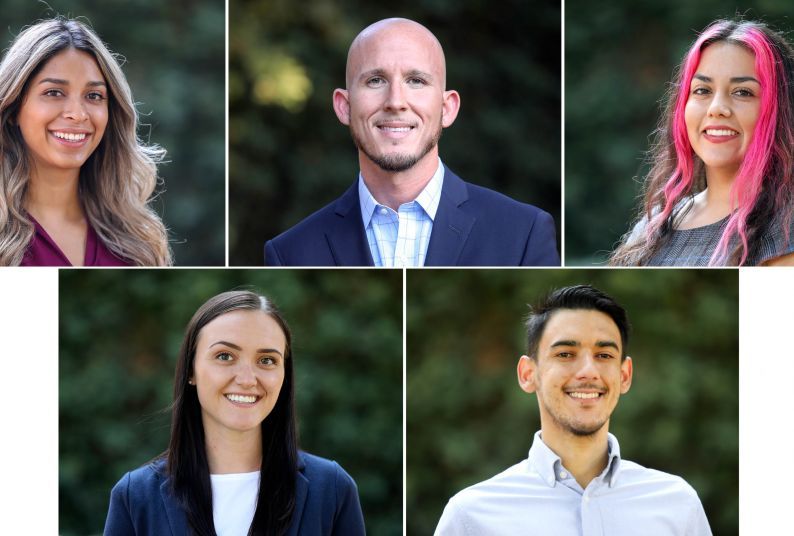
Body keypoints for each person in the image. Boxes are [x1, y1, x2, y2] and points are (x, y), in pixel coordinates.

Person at [264, 18, 559, 267]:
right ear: (344, 106)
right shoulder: (289, 253)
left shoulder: (523, 234)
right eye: (375, 80)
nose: (395, 101)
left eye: (416, 80)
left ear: (447, 108)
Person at [435, 285, 712, 535]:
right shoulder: (471, 517)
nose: (588, 371)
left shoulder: (678, 506)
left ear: (624, 375)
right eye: (565, 354)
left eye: (604, 355)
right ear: (528, 374)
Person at [104, 290, 365, 535]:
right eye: (225, 356)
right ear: (191, 370)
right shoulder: (135, 497)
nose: (247, 379)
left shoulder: (332, 490)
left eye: (267, 360)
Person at [611, 19, 794, 266]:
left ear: (781, 110)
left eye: (743, 92)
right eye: (702, 90)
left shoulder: (784, 229)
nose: (717, 108)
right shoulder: (652, 227)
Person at [0, 18, 171, 266]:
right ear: (14, 108)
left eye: (93, 96)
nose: (78, 114)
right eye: (54, 93)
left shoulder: (138, 242)